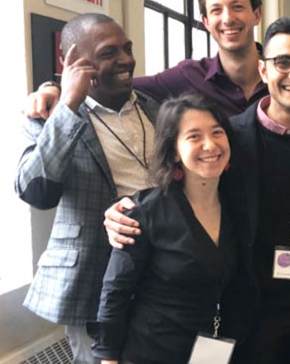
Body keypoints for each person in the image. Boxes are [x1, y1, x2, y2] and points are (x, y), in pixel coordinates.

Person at [103, 17, 290, 363]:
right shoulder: (231, 140)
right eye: (283, 62)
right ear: (263, 69)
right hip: (253, 320)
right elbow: (183, 190)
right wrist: (127, 210)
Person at [14, 13, 158, 364]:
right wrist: (67, 103)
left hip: (159, 270)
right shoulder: (47, 117)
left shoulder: (156, 109)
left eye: (128, 48)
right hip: (92, 279)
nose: (126, 60)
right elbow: (36, 192)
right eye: (110, 52)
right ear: (72, 60)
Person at [90, 94, 235, 364]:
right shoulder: (143, 212)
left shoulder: (237, 207)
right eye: (194, 137)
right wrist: (107, 358)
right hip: (152, 352)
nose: (210, 145)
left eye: (217, 133)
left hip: (212, 352)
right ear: (174, 151)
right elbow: (115, 293)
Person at [25, 0, 266, 119]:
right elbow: (117, 84)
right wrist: (53, 88)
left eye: (237, 7)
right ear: (205, 21)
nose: (227, 19)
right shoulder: (188, 76)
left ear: (256, 14)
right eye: (216, 10)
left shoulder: (285, 75)